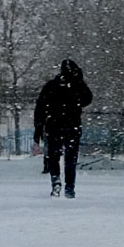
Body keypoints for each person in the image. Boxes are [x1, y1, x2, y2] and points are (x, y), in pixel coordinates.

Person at [33, 59, 93, 198]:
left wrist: (38, 127)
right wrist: (80, 80)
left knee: (53, 156)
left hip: (53, 126)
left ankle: (56, 180)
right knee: (70, 158)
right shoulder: (77, 85)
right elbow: (87, 99)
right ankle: (70, 187)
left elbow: (40, 107)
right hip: (72, 125)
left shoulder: (51, 86)